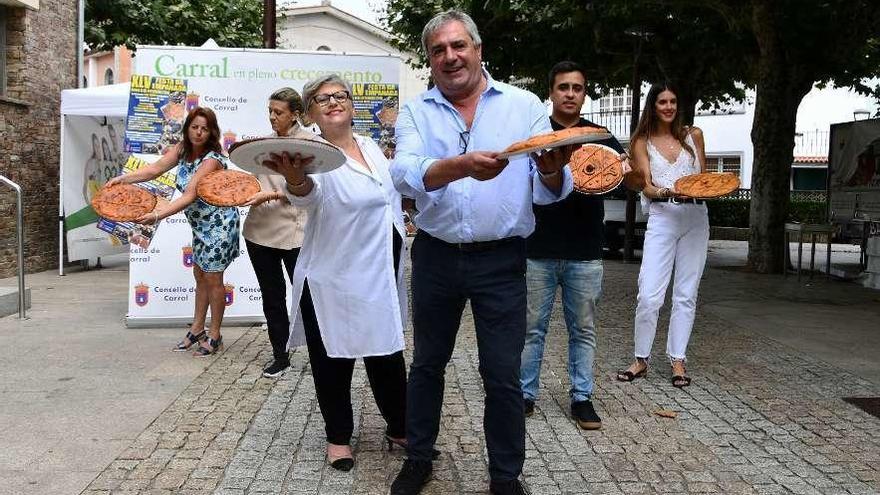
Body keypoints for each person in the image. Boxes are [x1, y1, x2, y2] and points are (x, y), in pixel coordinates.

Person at [389, 11, 574, 495]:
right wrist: (457, 166)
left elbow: (548, 188)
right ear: (430, 60)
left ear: (477, 49)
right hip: (436, 255)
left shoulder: (524, 104)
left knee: (502, 372)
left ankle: (506, 476)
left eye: (458, 46)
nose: (450, 57)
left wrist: (554, 170)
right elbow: (405, 172)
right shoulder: (416, 112)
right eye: (438, 50)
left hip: (502, 259)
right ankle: (418, 458)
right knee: (428, 362)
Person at [262, 74, 410, 472]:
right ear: (310, 112)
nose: (332, 102)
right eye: (321, 99)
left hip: (377, 270)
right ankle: (338, 437)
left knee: (387, 354)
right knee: (332, 360)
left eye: (339, 95)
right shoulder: (311, 152)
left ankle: (400, 427)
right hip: (332, 276)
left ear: (351, 104)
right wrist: (294, 178)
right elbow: (308, 195)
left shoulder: (371, 147)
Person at [520, 61, 630, 430]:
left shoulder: (600, 136)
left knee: (582, 328)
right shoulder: (537, 135)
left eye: (577, 88)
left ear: (585, 93)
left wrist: (628, 171)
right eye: (563, 87)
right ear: (550, 92)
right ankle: (524, 394)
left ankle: (582, 398)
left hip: (585, 249)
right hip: (537, 247)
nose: (570, 93)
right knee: (532, 327)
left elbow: (631, 179)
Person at [107, 107, 240, 357]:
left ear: (212, 132)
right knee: (200, 275)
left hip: (220, 224)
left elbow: (190, 194)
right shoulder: (182, 149)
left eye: (204, 128)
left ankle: (215, 334)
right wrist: (124, 179)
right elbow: (154, 169)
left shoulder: (212, 159)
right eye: (194, 127)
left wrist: (158, 214)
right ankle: (197, 329)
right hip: (201, 225)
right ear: (187, 127)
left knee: (213, 280)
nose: (199, 133)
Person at [615, 82, 709, 388]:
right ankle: (641, 358)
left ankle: (678, 360)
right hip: (663, 215)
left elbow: (704, 181)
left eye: (672, 101)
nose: (668, 107)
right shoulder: (641, 140)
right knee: (650, 294)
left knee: (686, 294)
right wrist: (668, 191)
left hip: (695, 217)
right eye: (662, 102)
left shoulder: (693, 136)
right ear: (653, 106)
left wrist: (705, 189)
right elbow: (646, 186)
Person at [241, 88, 313, 378]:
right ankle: (279, 355)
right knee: (272, 297)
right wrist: (241, 189)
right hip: (259, 232)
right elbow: (253, 182)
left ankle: (324, 353)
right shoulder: (264, 143)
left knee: (308, 297)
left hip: (295, 232)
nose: (272, 117)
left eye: (278, 112)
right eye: (270, 111)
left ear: (295, 113)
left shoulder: (311, 143)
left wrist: (268, 194)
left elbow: (307, 186)